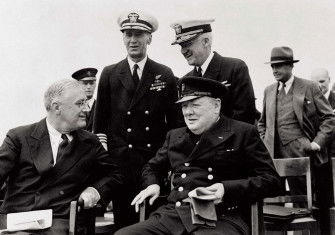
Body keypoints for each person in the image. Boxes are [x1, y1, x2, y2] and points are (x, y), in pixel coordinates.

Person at [116, 76, 282, 235]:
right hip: (175, 214)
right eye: (184, 106)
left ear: (216, 106)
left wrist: (226, 189)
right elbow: (152, 167)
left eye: (195, 105)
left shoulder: (242, 133)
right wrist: (152, 184)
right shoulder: (175, 136)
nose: (188, 112)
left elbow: (271, 181)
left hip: (222, 217)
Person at [93, 10, 183, 228]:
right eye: (128, 34)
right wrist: (107, 162)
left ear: (149, 38)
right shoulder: (109, 74)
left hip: (152, 163)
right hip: (120, 165)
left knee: (153, 222)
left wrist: (168, 162)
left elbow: (175, 126)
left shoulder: (164, 73)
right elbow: (99, 125)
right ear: (123, 38)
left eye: (138, 35)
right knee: (123, 222)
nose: (132, 40)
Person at [0, 79, 123, 234]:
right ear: (57, 107)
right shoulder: (19, 137)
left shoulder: (90, 142)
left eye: (86, 103)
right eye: (80, 103)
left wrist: (95, 190)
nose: (86, 108)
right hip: (16, 221)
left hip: (59, 223)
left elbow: (114, 175)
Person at [258, 47, 335, 233]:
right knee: (274, 206)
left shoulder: (309, 87)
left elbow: (329, 118)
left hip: (303, 156)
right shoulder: (269, 91)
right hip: (274, 158)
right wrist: (265, 142)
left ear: (290, 66)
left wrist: (316, 143)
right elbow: (262, 123)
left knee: (306, 205)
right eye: (272, 66)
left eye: (279, 66)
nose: (275, 70)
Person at [170, 19, 256, 124]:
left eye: (187, 44)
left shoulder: (235, 68)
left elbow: (244, 116)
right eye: (181, 46)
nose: (183, 51)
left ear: (206, 41)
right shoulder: (185, 81)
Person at [72, 67, 98, 132]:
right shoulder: (72, 107)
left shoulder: (102, 106)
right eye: (85, 83)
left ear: (95, 84)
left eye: (92, 83)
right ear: (78, 85)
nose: (89, 87)